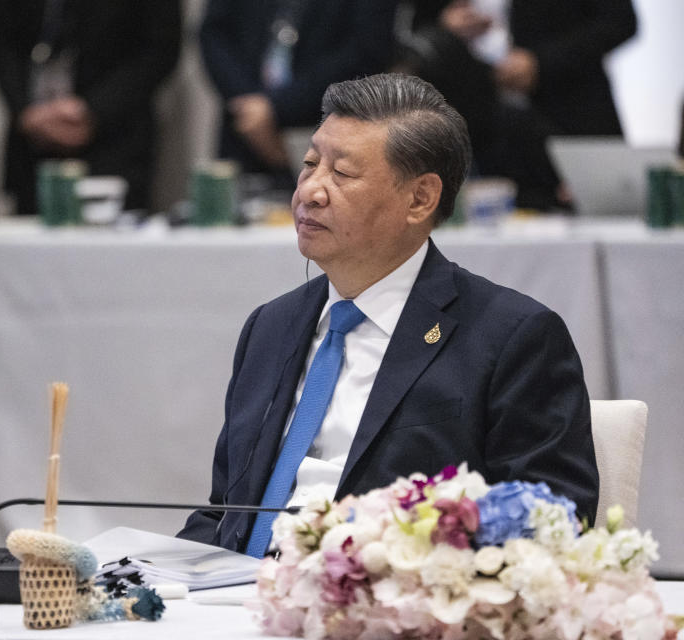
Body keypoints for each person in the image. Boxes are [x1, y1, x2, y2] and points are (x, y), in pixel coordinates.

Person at [178, 74, 598, 555]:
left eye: (342, 174)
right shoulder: (270, 326)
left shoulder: (511, 337)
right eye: (310, 164)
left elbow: (555, 519)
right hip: (238, 603)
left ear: (420, 198)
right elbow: (226, 511)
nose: (310, 191)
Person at [398, 0, 636, 209]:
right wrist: (445, 29)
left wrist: (541, 63)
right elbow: (409, 36)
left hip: (569, 115)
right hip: (474, 133)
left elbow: (620, 21)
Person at [0, 0, 181, 216]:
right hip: (33, 144)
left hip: (115, 139)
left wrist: (92, 110)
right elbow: (2, 42)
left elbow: (160, 47)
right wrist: (26, 113)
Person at [199, 0, 397, 191]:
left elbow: (367, 49)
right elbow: (214, 33)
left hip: (325, 122)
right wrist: (248, 104)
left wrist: (276, 107)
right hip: (245, 128)